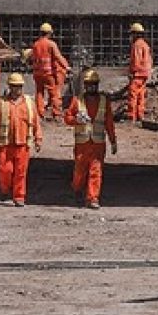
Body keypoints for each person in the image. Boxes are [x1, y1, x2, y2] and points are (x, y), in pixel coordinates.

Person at [64, 69, 118, 210]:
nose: (91, 88)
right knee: (79, 171)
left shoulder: (104, 102)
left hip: (98, 144)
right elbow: (67, 118)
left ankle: (92, 198)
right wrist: (76, 120)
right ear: (85, 86)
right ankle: (77, 189)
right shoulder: (77, 101)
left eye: (93, 85)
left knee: (96, 171)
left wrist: (113, 140)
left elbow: (109, 123)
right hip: (82, 144)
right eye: (88, 85)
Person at [0, 73, 42, 206]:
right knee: (4, 170)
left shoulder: (29, 103)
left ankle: (19, 197)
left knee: (21, 172)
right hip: (6, 143)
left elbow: (36, 122)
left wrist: (38, 138)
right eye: (14, 86)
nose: (16, 89)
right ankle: (5, 189)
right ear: (9, 87)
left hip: (23, 144)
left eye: (18, 86)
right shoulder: (1, 102)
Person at [31, 22, 70, 121]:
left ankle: (39, 114)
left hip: (37, 73)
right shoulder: (51, 44)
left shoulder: (35, 44)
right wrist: (66, 67)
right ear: (49, 33)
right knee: (54, 93)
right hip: (49, 73)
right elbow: (58, 56)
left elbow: (32, 58)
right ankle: (56, 114)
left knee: (39, 93)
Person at [127, 22, 153, 123]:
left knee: (132, 95)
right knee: (141, 95)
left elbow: (136, 61)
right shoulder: (145, 45)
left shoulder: (136, 45)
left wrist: (132, 72)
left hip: (137, 74)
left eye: (132, 34)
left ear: (135, 34)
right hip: (145, 73)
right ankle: (140, 115)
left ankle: (131, 117)